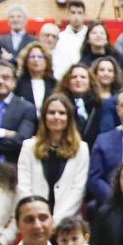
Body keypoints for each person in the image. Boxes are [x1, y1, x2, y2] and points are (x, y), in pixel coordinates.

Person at [15, 94, 89, 225]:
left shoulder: (81, 148)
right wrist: (38, 217)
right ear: (44, 117)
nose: (56, 117)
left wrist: (55, 222)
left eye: (61, 113)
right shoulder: (28, 146)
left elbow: (78, 189)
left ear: (69, 117)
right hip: (35, 220)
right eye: (51, 113)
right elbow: (24, 185)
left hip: (67, 221)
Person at [56, 64, 105, 143]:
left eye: (83, 77)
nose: (78, 80)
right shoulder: (59, 104)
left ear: (90, 82)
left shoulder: (99, 105)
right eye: (74, 77)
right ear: (67, 82)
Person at [16, 42, 57, 113]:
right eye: (32, 57)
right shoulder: (18, 83)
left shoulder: (55, 84)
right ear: (26, 61)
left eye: (40, 57)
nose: (36, 60)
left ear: (47, 61)